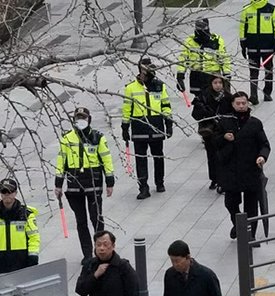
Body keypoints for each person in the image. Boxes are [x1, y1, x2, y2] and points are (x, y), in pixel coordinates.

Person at [54, 107, 114, 259]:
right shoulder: (67, 138)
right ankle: (87, 254)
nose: (80, 120)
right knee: (81, 221)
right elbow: (61, 160)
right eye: (78, 117)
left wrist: (110, 181)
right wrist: (58, 184)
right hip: (74, 184)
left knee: (96, 218)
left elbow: (106, 159)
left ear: (89, 119)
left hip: (93, 183)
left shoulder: (97, 137)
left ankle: (100, 249)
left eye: (83, 117)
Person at [216, 91, 270, 243]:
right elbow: (214, 142)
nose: (241, 106)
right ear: (232, 104)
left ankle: (250, 234)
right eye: (238, 103)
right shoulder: (224, 122)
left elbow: (264, 145)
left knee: (251, 204)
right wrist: (224, 138)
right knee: (231, 203)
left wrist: (262, 156)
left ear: (248, 104)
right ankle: (238, 224)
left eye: (243, 103)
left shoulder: (255, 123)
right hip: (230, 171)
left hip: (250, 170)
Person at [122, 59, 173, 200]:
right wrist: (125, 127)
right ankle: (143, 187)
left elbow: (166, 105)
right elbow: (126, 109)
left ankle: (159, 182)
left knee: (158, 156)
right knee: (141, 159)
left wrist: (168, 124)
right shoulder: (131, 88)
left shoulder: (159, 86)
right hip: (139, 127)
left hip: (156, 126)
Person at [191, 75, 233, 193]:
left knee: (223, 156)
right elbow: (195, 115)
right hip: (209, 131)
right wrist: (204, 112)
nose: (218, 85)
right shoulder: (204, 97)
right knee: (212, 156)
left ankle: (222, 180)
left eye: (220, 82)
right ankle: (214, 179)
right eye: (215, 82)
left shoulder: (228, 97)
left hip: (223, 131)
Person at [239, 0, 275, 104]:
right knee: (265, 70)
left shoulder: (271, 9)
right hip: (259, 46)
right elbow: (243, 27)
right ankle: (259, 95)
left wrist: (243, 44)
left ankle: (260, 94)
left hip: (260, 46)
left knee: (257, 71)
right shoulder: (247, 9)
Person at [176, 19, 231, 97]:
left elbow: (224, 58)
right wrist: (180, 76)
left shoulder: (216, 40)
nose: (200, 30)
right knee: (199, 101)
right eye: (198, 27)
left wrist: (227, 73)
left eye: (202, 27)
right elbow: (183, 59)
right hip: (196, 75)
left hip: (213, 75)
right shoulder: (189, 41)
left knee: (214, 100)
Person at [0, 179, 39, 274]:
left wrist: (33, 257)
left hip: (21, 262)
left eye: (10, 191)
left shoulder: (26, 214)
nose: (7, 194)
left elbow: (34, 238)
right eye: (4, 191)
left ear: (15, 193)